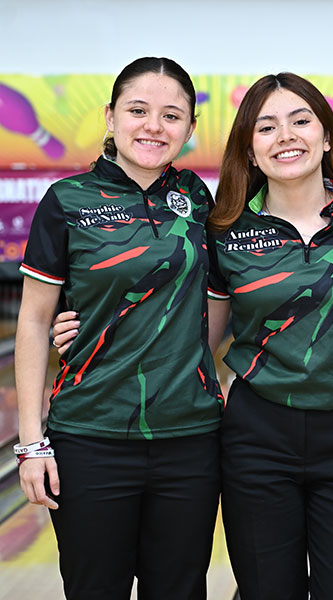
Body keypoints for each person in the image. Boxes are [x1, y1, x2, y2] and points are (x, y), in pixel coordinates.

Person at [15, 57, 223, 599]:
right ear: (110, 117)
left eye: (171, 115)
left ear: (190, 128)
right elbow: (34, 321)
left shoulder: (199, 199)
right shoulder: (67, 200)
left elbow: (222, 296)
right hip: (91, 436)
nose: (154, 126)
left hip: (190, 440)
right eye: (138, 110)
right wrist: (31, 442)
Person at [206, 73, 333, 599]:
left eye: (300, 121)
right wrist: (87, 330)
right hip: (257, 436)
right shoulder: (227, 230)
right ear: (250, 150)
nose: (285, 136)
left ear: (327, 136)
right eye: (266, 127)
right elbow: (197, 340)